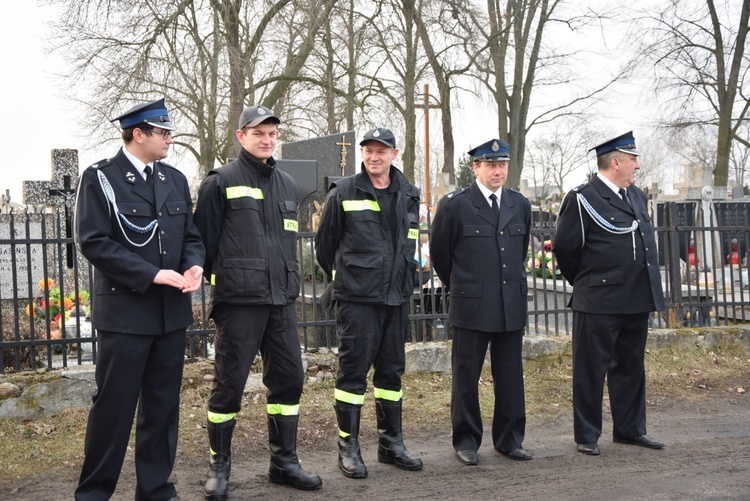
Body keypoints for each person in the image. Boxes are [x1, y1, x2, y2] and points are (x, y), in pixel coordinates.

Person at [74, 98, 205, 501]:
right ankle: (94, 493)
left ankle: (155, 489)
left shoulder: (175, 179)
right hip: (126, 315)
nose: (170, 139)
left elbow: (191, 236)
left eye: (169, 133)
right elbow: (94, 242)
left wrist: (194, 265)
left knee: (163, 410)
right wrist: (149, 273)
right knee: (113, 410)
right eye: (163, 133)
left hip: (170, 316)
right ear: (138, 134)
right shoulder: (101, 178)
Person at [192, 105, 322, 500]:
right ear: (240, 137)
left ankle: (284, 462)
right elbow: (204, 242)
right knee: (228, 387)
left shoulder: (286, 184)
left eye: (271, 133)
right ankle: (219, 467)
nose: (266, 140)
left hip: (280, 301)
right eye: (258, 133)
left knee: (289, 379)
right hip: (239, 302)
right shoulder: (220, 181)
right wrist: (230, 279)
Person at [315, 127, 423, 479]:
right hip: (357, 300)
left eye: (381, 150)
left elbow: (407, 243)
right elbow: (324, 248)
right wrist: (352, 277)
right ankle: (348, 447)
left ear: (394, 154)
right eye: (368, 150)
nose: (373, 156)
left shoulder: (409, 193)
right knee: (353, 376)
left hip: (396, 299)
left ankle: (391, 444)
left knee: (392, 373)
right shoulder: (344, 190)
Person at [552, 131, 665, 456]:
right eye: (632, 160)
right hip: (599, 300)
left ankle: (630, 429)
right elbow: (564, 247)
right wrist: (588, 282)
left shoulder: (636, 196)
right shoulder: (583, 197)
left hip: (636, 298)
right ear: (615, 162)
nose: (637, 166)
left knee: (630, 367)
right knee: (591, 369)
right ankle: (587, 435)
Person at [430, 138, 532, 466]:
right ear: (476, 168)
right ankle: (466, 440)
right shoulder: (455, 205)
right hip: (471, 304)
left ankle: (509, 438)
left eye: (502, 164)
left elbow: (520, 251)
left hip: (509, 304)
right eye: (490, 165)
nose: (498, 171)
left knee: (510, 375)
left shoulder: (519, 204)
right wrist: (463, 286)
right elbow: (441, 257)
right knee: (466, 375)